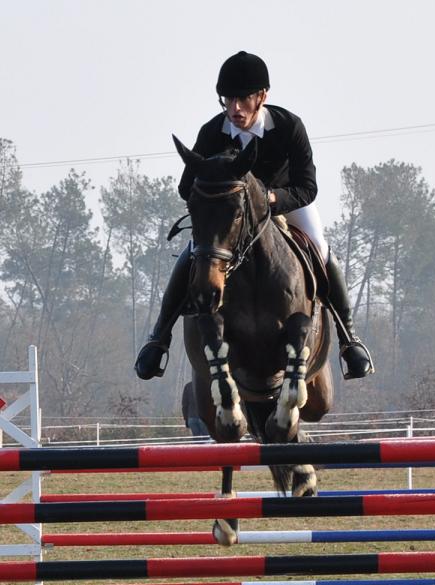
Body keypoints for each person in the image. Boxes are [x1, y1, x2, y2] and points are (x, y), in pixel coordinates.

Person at [135, 51, 373, 381]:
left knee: (320, 247)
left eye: (243, 99)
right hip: (232, 217)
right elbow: (186, 187)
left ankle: (350, 339)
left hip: (286, 206)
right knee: (194, 254)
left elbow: (307, 187)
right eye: (228, 100)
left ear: (262, 96)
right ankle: (158, 338)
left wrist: (272, 198)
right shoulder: (211, 133)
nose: (234, 109)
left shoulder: (289, 127)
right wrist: (213, 198)